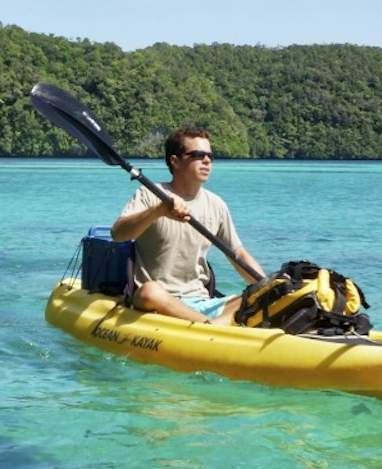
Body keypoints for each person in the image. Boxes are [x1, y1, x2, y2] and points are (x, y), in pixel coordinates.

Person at [110, 126, 266, 324]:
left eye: (210, 155)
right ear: (175, 161)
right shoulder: (150, 194)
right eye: (198, 155)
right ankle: (211, 326)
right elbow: (118, 233)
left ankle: (209, 324)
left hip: (202, 301)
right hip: (158, 300)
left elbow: (238, 254)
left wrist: (269, 286)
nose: (207, 161)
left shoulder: (216, 204)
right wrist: (158, 211)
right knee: (150, 291)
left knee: (260, 296)